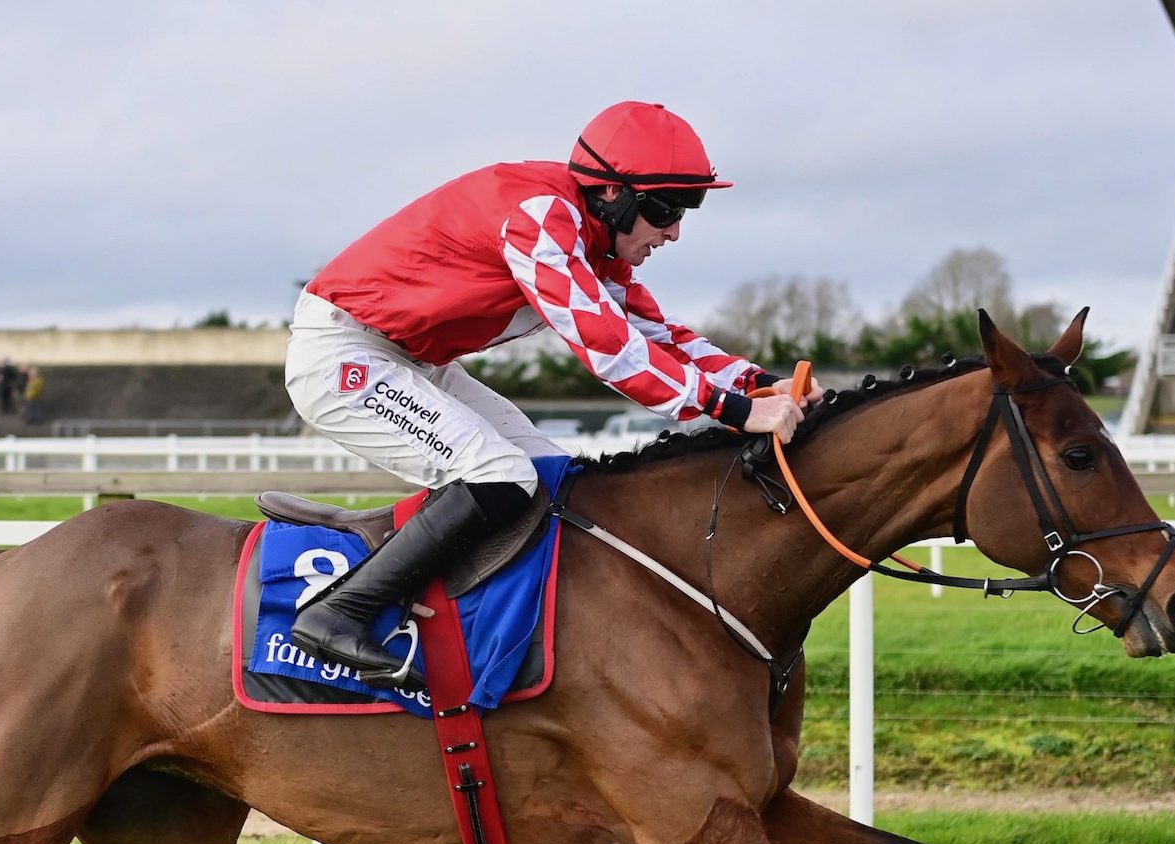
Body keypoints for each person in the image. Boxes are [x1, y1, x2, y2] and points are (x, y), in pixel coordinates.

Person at [285, 101, 814, 687]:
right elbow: (611, 350)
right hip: (345, 357)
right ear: (611, 193)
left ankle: (505, 633)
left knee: (556, 479)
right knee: (501, 477)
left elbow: (659, 337)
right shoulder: (540, 216)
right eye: (667, 208)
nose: (675, 230)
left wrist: (755, 381)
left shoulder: (593, 241)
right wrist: (736, 411)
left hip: (412, 359)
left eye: (689, 208)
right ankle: (341, 612)